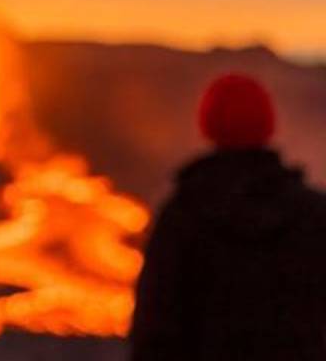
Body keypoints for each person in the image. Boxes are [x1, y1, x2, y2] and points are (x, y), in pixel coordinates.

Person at [130, 73, 326, 360]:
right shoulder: (313, 215)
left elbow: (154, 327)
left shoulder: (183, 217)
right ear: (268, 126)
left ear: (207, 125)